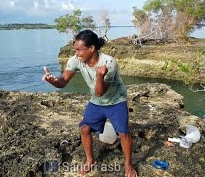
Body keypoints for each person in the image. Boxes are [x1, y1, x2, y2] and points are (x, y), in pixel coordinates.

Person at [43, 29, 137, 177]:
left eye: (80, 50)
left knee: (123, 133)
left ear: (92, 48)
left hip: (116, 100)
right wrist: (53, 81)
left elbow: (101, 91)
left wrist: (100, 75)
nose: (77, 53)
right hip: (96, 101)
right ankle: (90, 160)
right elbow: (63, 82)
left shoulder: (109, 63)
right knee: (84, 128)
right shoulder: (76, 60)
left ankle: (128, 164)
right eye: (75, 50)